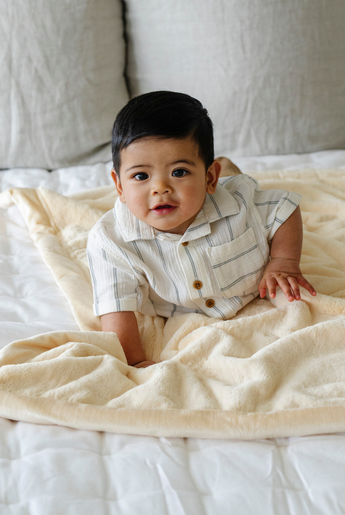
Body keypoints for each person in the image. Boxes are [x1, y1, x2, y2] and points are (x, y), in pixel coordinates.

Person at [86, 91, 316, 367]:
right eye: (141, 176)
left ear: (209, 177)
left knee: (236, 183)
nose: (160, 188)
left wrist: (283, 260)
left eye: (179, 172)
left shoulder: (241, 204)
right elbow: (115, 308)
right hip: (176, 306)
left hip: (218, 194)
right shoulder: (111, 241)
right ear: (120, 186)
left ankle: (225, 170)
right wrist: (135, 363)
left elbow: (285, 206)